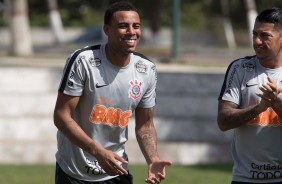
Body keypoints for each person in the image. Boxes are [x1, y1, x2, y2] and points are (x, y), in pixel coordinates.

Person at [53, 1, 172, 184]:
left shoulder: (146, 69)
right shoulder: (83, 61)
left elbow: (145, 125)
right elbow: (62, 116)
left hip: (116, 170)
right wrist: (97, 151)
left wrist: (153, 158)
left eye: (136, 26)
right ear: (107, 30)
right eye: (123, 26)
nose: (132, 32)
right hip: (73, 173)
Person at [217, 7, 282, 184]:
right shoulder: (240, 68)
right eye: (254, 34)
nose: (257, 41)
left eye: (265, 36)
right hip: (245, 178)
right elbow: (223, 121)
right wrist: (259, 108)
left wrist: (275, 103)